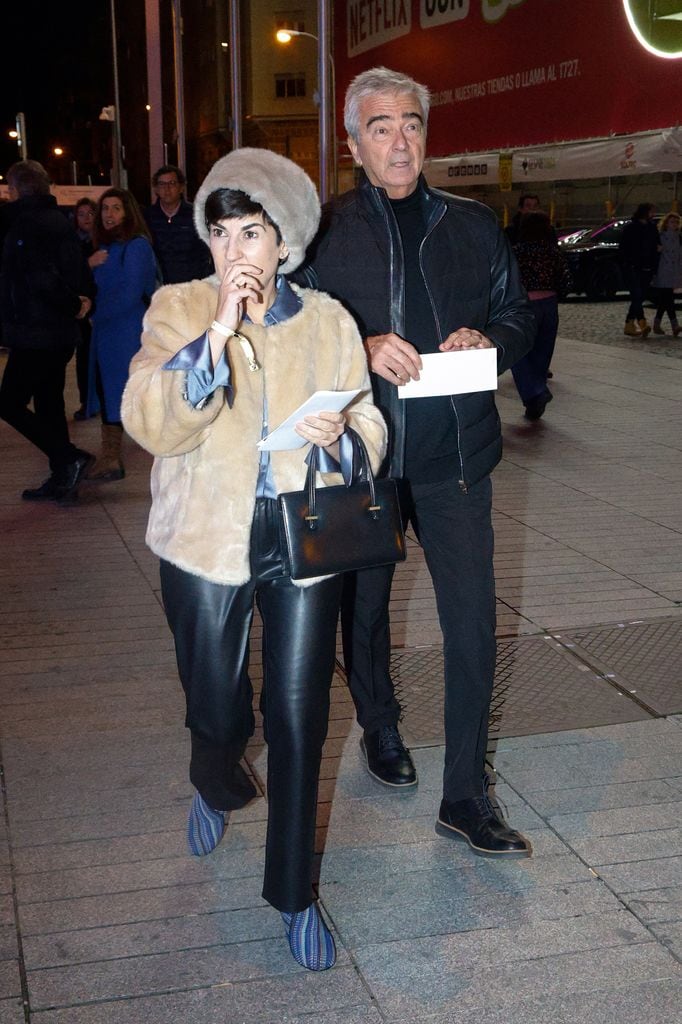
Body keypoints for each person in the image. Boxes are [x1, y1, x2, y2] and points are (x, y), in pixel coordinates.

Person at [121, 148, 386, 971]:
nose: (238, 249)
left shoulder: (331, 320)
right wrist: (217, 337)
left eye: (254, 232)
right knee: (217, 709)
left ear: (286, 241)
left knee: (302, 711)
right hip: (205, 539)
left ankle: (294, 893)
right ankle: (216, 775)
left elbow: (371, 422)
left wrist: (344, 436)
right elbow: (148, 421)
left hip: (303, 536)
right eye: (224, 231)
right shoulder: (177, 307)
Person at [296, 67, 535, 857]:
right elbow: (289, 340)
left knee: (472, 627)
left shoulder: (473, 225)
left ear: (425, 135)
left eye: (410, 124)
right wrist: (358, 347)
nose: (399, 142)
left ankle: (465, 794)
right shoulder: (323, 233)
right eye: (380, 128)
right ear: (355, 145)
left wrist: (489, 339)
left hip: (455, 458)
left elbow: (514, 314)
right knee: (362, 617)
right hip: (365, 461)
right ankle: (379, 723)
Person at [0, 160, 94, 502]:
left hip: (36, 331)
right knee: (49, 404)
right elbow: (76, 268)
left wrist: (73, 304)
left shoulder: (27, 225)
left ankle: (68, 457)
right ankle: (61, 473)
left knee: (8, 402)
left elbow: (39, 278)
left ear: (16, 190)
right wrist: (81, 303)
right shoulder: (58, 221)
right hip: (55, 331)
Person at [87, 188, 158, 480]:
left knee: (123, 391)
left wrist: (94, 314)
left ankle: (115, 457)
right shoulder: (106, 247)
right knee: (109, 392)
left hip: (126, 330)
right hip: (107, 330)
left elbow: (131, 293)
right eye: (105, 208)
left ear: (128, 212)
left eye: (116, 208)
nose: (109, 214)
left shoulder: (137, 246)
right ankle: (111, 457)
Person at [511, 211, 572, 420]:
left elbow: (507, 278)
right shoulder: (552, 251)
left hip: (524, 304)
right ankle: (535, 395)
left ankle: (534, 393)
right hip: (549, 303)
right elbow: (564, 278)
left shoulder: (516, 252)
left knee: (519, 351)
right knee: (543, 350)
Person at [144, 164, 213, 284]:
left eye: (172, 183)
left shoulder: (196, 214)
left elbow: (207, 251)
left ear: (181, 188)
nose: (167, 189)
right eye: (162, 184)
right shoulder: (147, 217)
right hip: (159, 285)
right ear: (155, 189)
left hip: (192, 284)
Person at [72, 198, 98, 421]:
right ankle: (86, 401)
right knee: (84, 357)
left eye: (91, 213)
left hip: (102, 305)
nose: (87, 218)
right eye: (82, 214)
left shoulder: (104, 240)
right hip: (82, 307)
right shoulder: (72, 243)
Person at [619, 202, 660, 337]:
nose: (653, 214)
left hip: (647, 267)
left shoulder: (651, 227)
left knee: (640, 296)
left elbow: (656, 245)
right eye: (651, 211)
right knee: (636, 294)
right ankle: (642, 322)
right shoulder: (631, 228)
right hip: (632, 266)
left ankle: (629, 323)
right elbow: (624, 247)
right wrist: (627, 262)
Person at [651, 211, 682, 337]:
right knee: (668, 297)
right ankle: (675, 325)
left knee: (666, 299)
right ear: (666, 223)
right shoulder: (661, 236)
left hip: (674, 270)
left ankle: (657, 324)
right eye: (672, 222)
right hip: (663, 270)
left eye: (676, 222)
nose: (674, 224)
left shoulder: (679, 237)